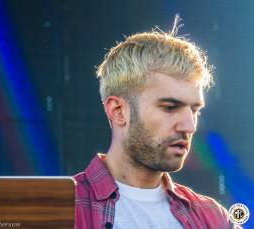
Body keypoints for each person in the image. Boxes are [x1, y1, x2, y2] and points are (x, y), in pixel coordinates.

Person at [74, 18, 241, 229]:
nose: (189, 127)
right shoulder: (56, 208)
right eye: (170, 107)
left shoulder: (214, 217)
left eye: (195, 110)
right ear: (118, 111)